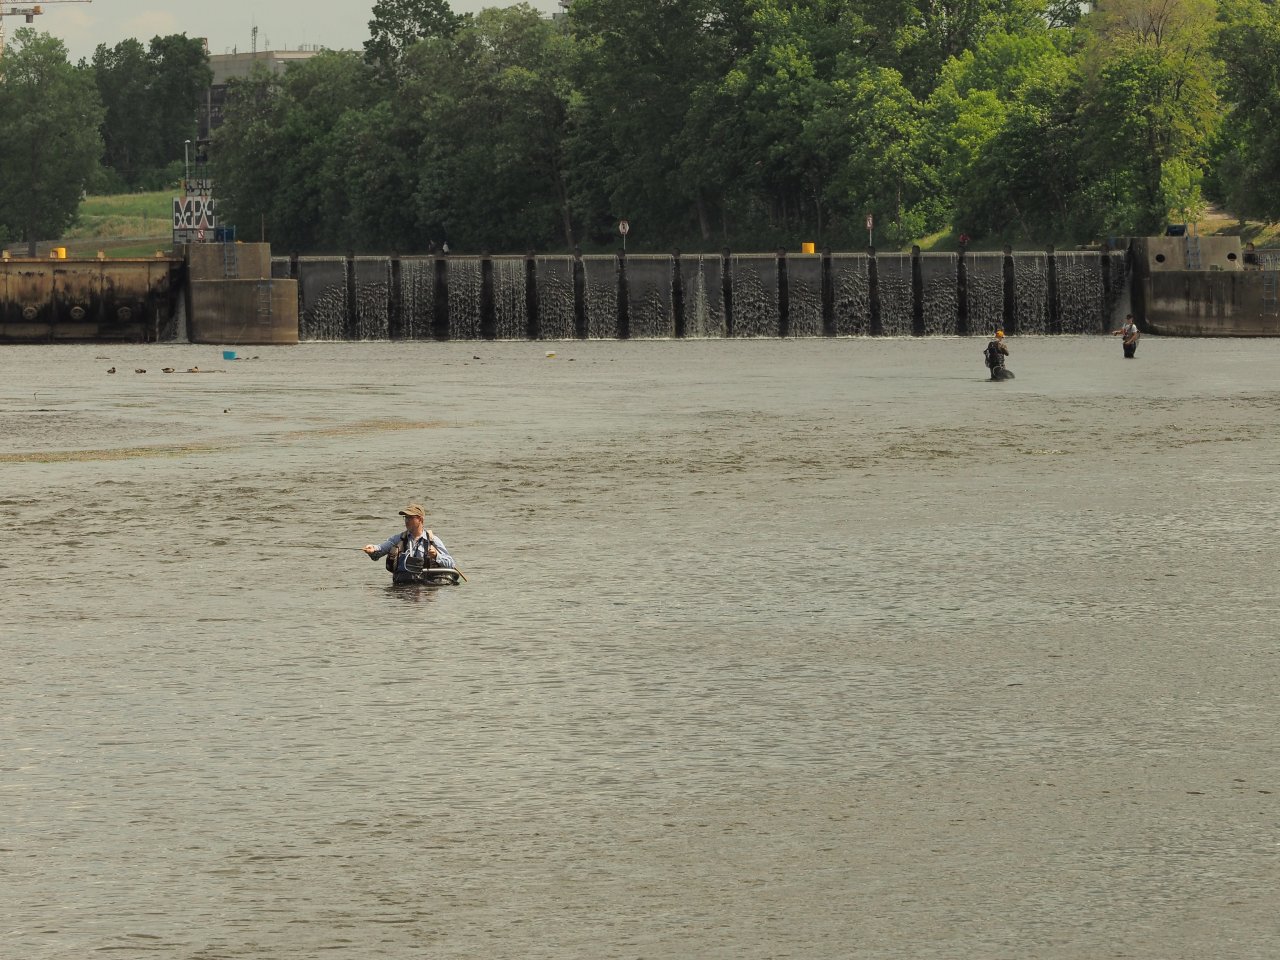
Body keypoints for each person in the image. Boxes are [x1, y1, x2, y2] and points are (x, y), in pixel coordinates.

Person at [364, 503, 457, 584]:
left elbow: (451, 564)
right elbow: (380, 549)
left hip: (425, 588)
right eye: (405, 517)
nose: (406, 521)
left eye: (410, 517)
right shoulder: (398, 538)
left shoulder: (433, 540)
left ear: (420, 519)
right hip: (403, 588)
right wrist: (372, 549)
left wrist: (436, 556)